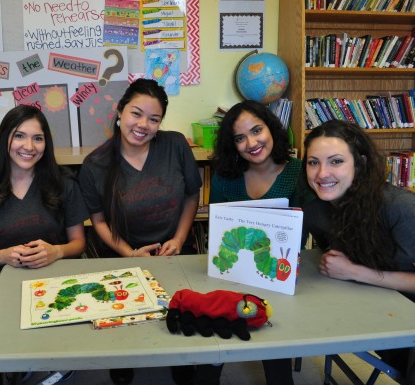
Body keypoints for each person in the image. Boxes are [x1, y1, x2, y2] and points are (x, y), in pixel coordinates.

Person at [78, 78, 202, 384]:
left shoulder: (175, 146)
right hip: (123, 255)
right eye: (136, 113)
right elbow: (99, 221)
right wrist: (129, 254)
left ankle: (182, 359)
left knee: (181, 314)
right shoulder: (95, 165)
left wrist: (179, 238)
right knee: (126, 323)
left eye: (154, 118)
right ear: (120, 112)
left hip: (174, 252)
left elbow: (191, 195)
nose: (143, 124)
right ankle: (123, 359)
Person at [198, 100, 303, 385]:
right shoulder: (224, 176)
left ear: (271, 128)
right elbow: (217, 232)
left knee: (276, 351)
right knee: (213, 351)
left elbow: (302, 232)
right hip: (232, 276)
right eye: (240, 138)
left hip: (278, 278)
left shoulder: (298, 172)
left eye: (257, 130)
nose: (251, 142)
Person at [301, 119, 415, 382]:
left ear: (360, 163)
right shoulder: (318, 212)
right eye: (313, 162)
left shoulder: (400, 207)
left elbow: (350, 269)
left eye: (336, 161)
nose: (322, 174)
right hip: (381, 311)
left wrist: (355, 272)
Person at [0, 104, 88, 293]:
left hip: (60, 279)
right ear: (5, 138)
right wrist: (3, 256)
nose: (29, 147)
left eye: (38, 138)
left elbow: (79, 243)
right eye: (19, 136)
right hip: (6, 281)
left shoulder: (64, 182)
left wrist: (56, 252)